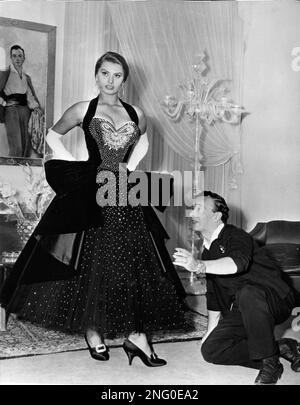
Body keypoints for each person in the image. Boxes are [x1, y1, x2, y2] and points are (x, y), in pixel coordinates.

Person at [0, 51, 186, 367]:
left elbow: (141, 142)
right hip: (91, 190)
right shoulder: (83, 109)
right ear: (96, 75)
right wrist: (78, 166)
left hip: (124, 193)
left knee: (131, 262)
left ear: (124, 79)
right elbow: (51, 136)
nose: (111, 81)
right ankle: (93, 331)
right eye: (105, 73)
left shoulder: (136, 113)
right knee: (92, 262)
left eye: (117, 75)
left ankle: (137, 335)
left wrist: (132, 165)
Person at [173, 191, 300, 384]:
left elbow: (237, 263)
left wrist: (199, 265)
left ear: (216, 216)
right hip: (246, 307)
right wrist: (209, 333)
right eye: (192, 209)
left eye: (198, 208)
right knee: (211, 350)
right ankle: (279, 348)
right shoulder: (206, 251)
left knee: (249, 292)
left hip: (276, 299)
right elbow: (214, 296)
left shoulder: (236, 235)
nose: (192, 214)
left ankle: (270, 363)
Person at [0, 44, 41, 157]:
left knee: (25, 144)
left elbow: (29, 96)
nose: (17, 58)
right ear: (11, 58)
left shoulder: (26, 77)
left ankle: (24, 172)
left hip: (25, 111)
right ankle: (14, 172)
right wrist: (4, 103)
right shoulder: (5, 73)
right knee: (16, 144)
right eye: (14, 56)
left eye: (19, 56)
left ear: (24, 58)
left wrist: (36, 107)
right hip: (11, 111)